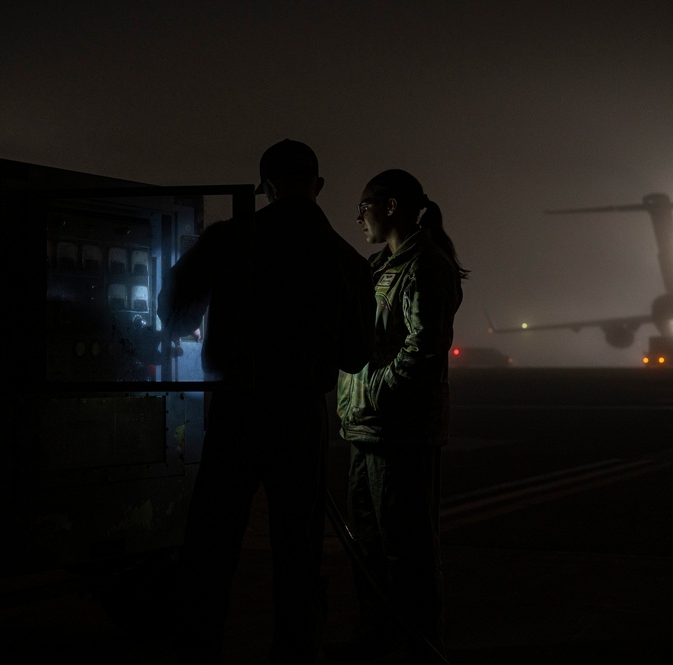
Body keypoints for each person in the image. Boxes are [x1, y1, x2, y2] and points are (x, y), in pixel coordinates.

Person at [159, 139, 375, 664]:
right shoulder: (347, 260)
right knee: (297, 548)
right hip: (302, 413)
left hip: (236, 408)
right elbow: (354, 356)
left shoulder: (230, 239)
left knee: (212, 543)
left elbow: (175, 312)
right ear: (317, 186)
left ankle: (197, 645)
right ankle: (295, 650)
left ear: (266, 188)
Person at [330, 169, 467, 663]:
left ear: (389, 207)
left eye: (364, 207)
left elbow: (423, 350)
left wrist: (375, 395)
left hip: (400, 431)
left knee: (406, 551)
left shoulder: (426, 265)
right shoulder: (378, 267)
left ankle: (420, 646)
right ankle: (378, 637)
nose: (359, 219)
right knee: (368, 548)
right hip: (367, 429)